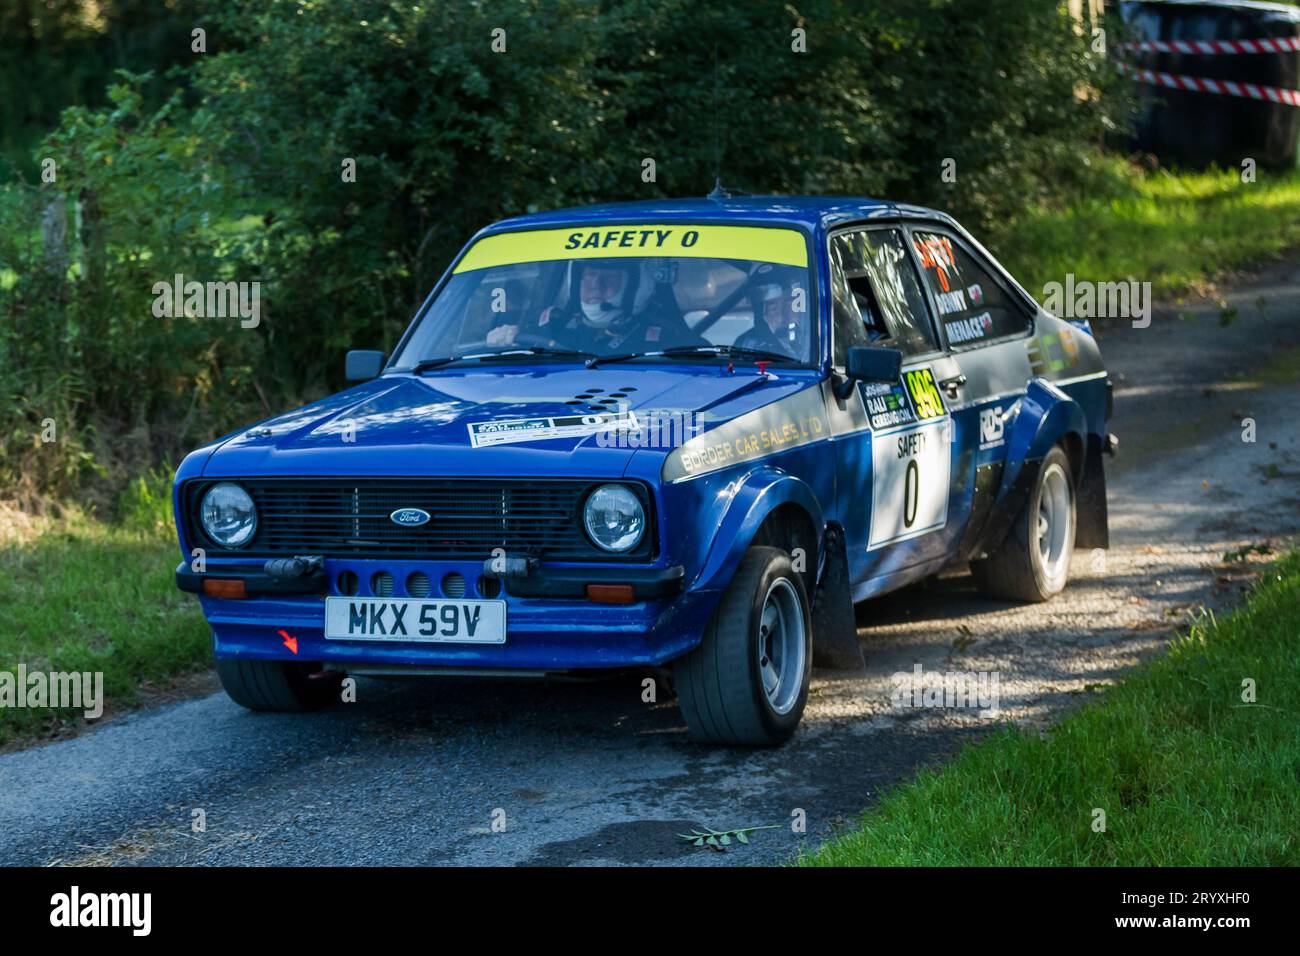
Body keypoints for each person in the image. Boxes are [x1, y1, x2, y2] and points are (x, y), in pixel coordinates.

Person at [486, 259, 641, 351]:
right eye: (590, 275)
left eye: (609, 276)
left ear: (634, 285)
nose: (596, 285)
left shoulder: (659, 334)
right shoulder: (556, 324)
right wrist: (504, 338)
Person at [734, 274, 808, 359]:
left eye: (789, 306)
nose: (781, 318)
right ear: (764, 316)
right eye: (773, 309)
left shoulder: (818, 342)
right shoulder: (747, 345)